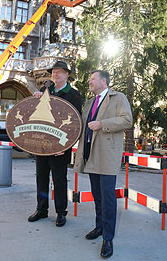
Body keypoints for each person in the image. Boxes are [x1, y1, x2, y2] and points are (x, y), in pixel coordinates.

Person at [74, 70, 132, 258]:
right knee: (97, 196)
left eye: (92, 79)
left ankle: (108, 238)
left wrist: (102, 123)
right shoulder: (90, 102)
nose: (89, 81)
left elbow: (127, 120)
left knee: (107, 198)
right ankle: (99, 227)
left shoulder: (118, 97)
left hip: (107, 155)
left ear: (104, 81)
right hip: (90, 153)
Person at [28, 61, 82, 227]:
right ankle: (41, 209)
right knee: (41, 179)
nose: (55, 74)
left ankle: (60, 213)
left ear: (67, 74)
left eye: (59, 72)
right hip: (43, 145)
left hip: (60, 147)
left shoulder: (73, 95)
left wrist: (65, 146)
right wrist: (36, 99)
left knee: (59, 180)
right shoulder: (46, 91)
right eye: (53, 72)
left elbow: (75, 123)